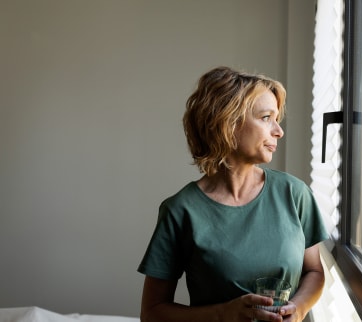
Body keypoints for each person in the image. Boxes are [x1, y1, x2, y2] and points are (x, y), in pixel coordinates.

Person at [138, 66, 329, 322]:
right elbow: (152, 313)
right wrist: (222, 314)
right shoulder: (180, 211)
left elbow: (314, 271)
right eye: (265, 117)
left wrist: (298, 309)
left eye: (277, 118)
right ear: (228, 123)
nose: (278, 131)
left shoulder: (295, 194)